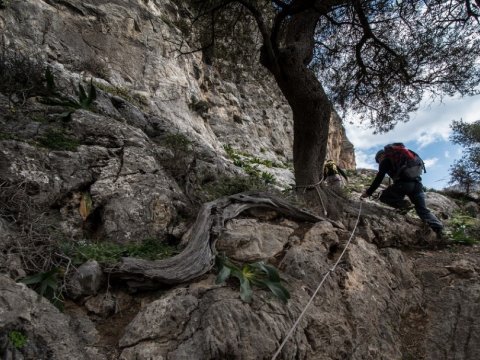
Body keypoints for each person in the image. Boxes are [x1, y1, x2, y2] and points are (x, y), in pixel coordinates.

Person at [360, 146, 444, 239]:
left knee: (384, 196)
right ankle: (439, 230)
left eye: (378, 161)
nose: (379, 163)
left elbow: (379, 178)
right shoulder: (402, 159)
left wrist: (368, 192)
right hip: (418, 185)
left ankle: (404, 205)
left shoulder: (385, 160)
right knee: (422, 209)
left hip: (404, 185)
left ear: (380, 157)